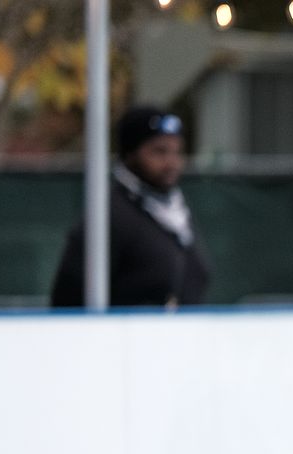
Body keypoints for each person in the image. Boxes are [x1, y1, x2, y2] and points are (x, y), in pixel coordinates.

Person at [50, 105, 210, 309]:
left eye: (177, 152)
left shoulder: (176, 213)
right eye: (159, 152)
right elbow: (68, 298)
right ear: (130, 154)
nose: (172, 163)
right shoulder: (110, 214)